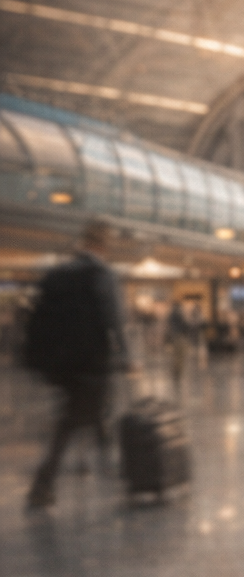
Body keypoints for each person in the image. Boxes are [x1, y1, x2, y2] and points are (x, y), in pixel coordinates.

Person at [23, 218, 128, 509]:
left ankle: (114, 470)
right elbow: (113, 319)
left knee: (90, 415)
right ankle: (43, 483)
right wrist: (127, 355)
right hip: (92, 362)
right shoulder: (102, 274)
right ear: (103, 243)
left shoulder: (60, 273)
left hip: (59, 364)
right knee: (74, 421)